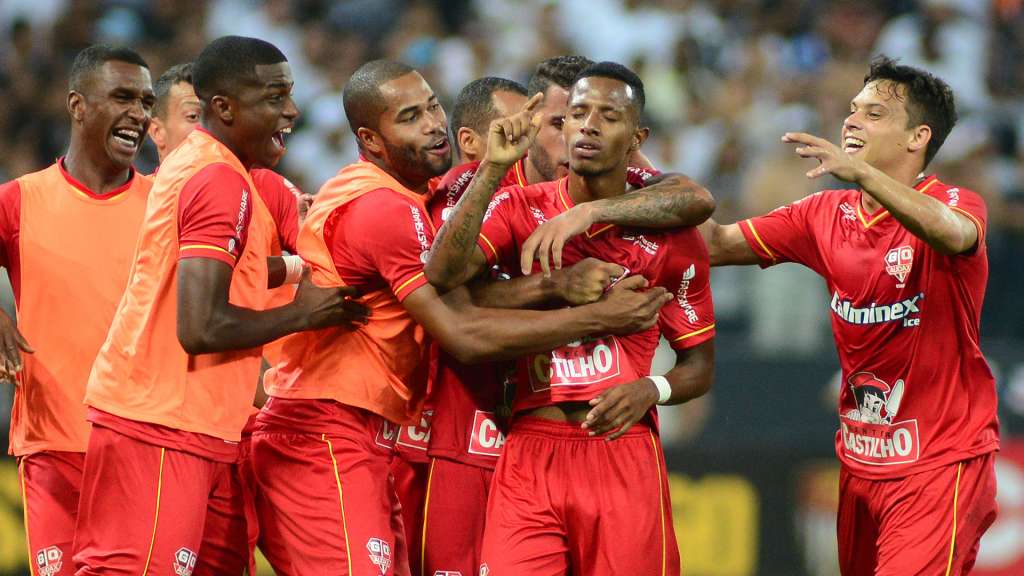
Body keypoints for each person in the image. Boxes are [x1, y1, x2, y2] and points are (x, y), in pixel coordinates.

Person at [528, 56, 1000, 576]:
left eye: (873, 114)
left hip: (941, 461)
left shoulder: (954, 202)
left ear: (918, 138)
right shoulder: (826, 215)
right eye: (852, 109)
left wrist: (862, 173)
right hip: (863, 461)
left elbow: (955, 234)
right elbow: (714, 242)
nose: (851, 121)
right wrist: (631, 173)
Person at [251, 59, 670, 576]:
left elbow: (691, 199)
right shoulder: (390, 209)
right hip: (328, 431)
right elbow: (463, 330)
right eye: (410, 116)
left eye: (432, 107)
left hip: (362, 433)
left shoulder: (412, 197)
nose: (432, 123)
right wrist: (597, 315)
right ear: (371, 138)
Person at [74, 36, 364, 575]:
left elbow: (242, 276)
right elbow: (201, 325)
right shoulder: (218, 180)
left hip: (200, 426)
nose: (291, 110)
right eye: (274, 97)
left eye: (290, 94)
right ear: (224, 108)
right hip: (162, 423)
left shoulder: (212, 169)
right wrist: (308, 313)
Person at [425, 61, 716, 576]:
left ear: (636, 136)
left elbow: (699, 368)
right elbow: (443, 273)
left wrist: (653, 389)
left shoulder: (672, 236)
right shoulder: (519, 207)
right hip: (530, 450)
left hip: (619, 449)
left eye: (608, 115)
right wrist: (493, 168)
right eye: (576, 114)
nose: (587, 126)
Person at [0, 44, 154, 576]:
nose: (140, 112)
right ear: (77, 105)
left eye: (146, 101)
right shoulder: (19, 201)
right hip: (53, 446)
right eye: (123, 97)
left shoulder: (167, 207)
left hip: (144, 446)